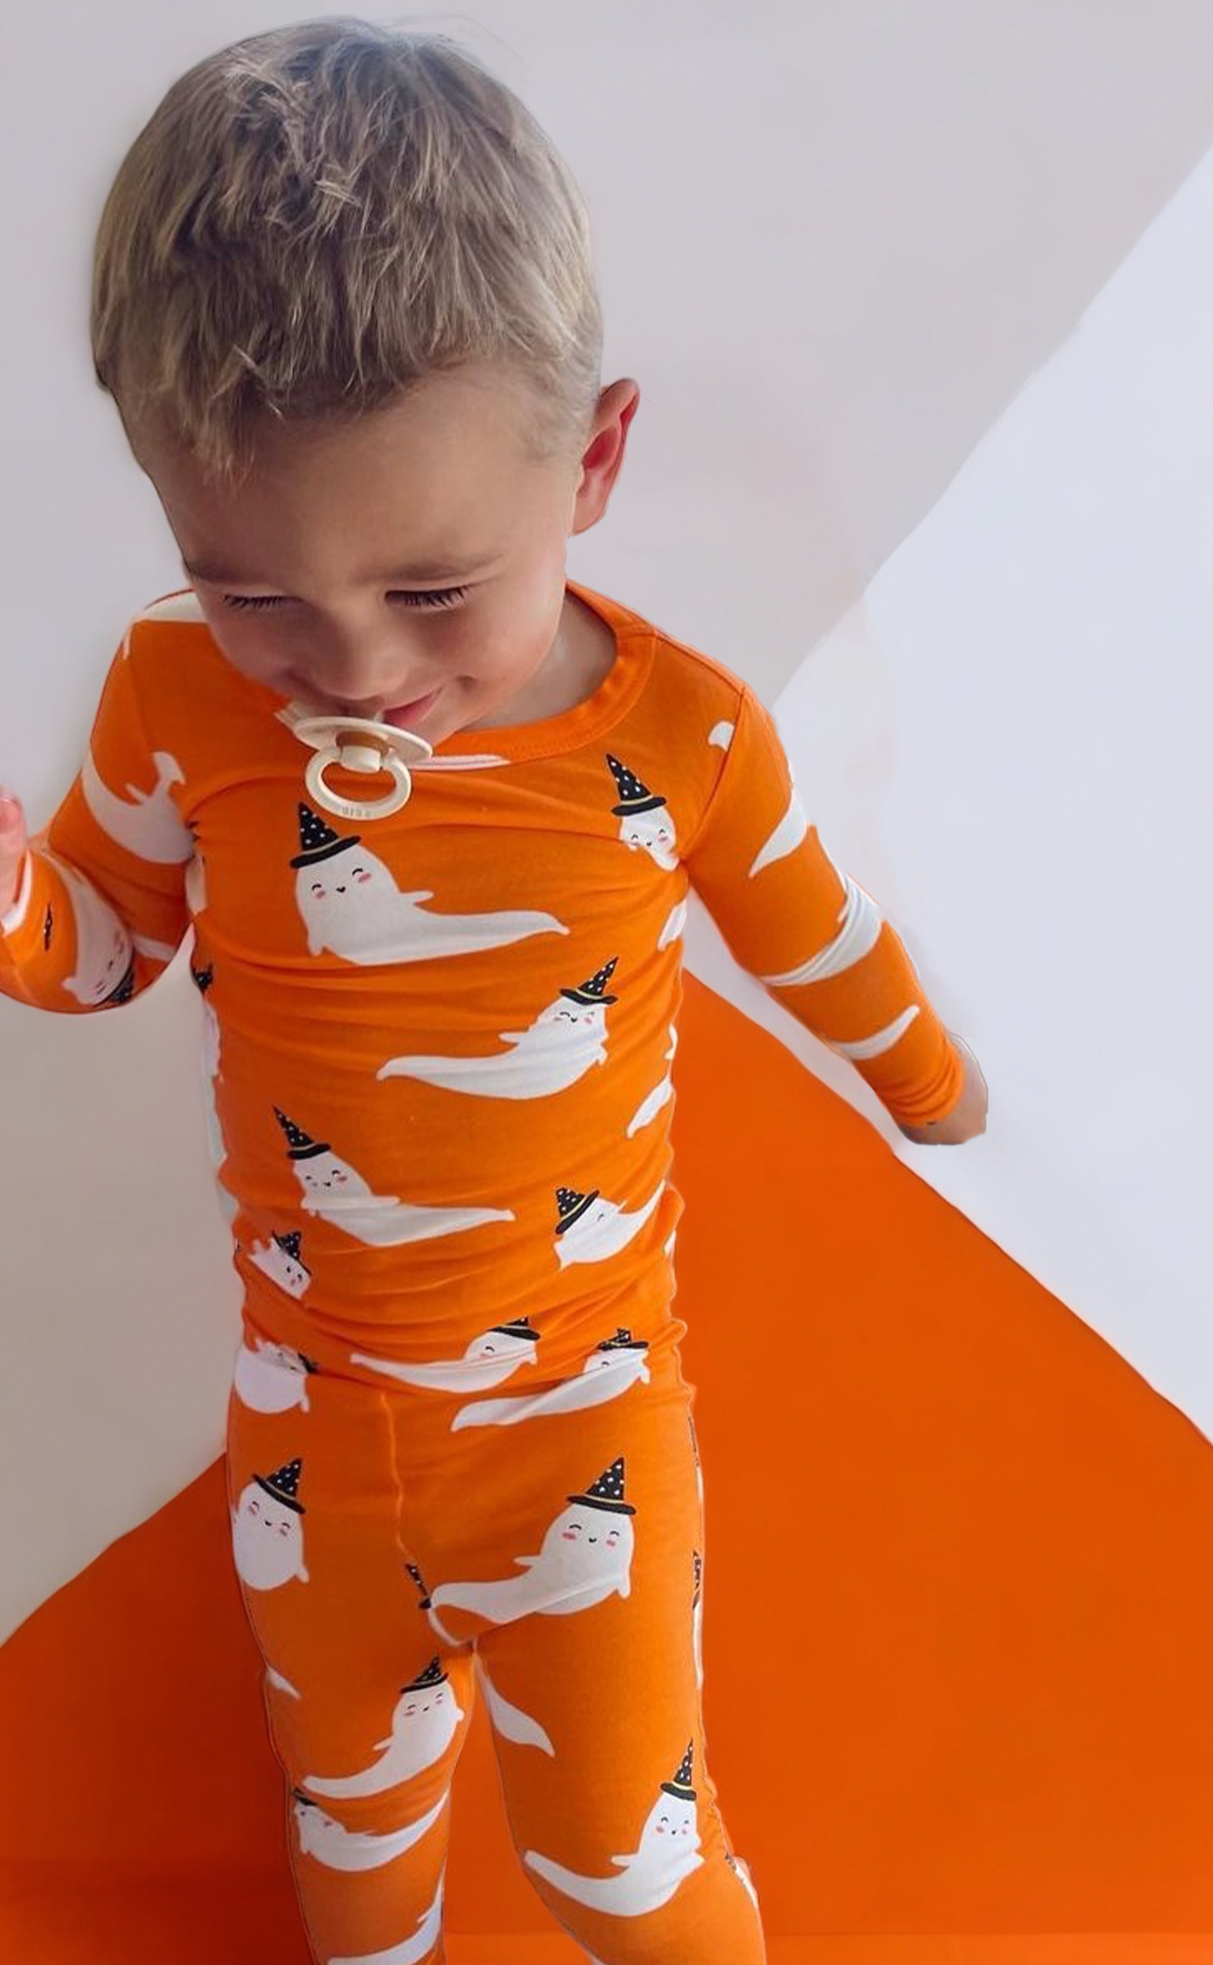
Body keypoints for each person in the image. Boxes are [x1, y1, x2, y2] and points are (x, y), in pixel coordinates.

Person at [0, 18, 988, 1964]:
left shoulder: (681, 739)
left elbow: (813, 934)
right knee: (356, 1860)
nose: (351, 665)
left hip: (581, 1428)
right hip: (303, 1441)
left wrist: (933, 1086)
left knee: (630, 1869)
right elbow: (105, 946)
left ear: (595, 458)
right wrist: (17, 903)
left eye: (436, 591)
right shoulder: (171, 698)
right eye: (252, 589)